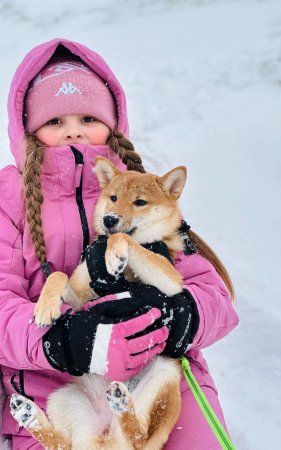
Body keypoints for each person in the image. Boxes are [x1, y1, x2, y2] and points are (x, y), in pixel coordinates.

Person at [0, 38, 239, 450]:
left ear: (113, 124)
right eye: (54, 121)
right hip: (51, 380)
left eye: (88, 117)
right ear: (28, 129)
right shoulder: (9, 200)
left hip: (159, 373)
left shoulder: (145, 192)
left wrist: (181, 317)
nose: (73, 129)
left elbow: (216, 298)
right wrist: (62, 343)